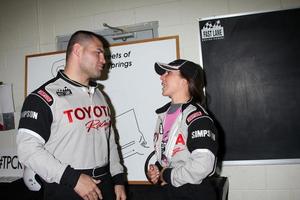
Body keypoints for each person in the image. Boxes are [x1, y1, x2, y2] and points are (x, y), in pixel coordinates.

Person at [16, 30, 127, 200]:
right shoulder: (43, 98)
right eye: (98, 53)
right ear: (77, 50)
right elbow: (27, 150)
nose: (104, 60)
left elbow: (109, 140)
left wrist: (118, 179)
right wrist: (73, 179)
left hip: (105, 185)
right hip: (68, 187)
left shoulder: (99, 96)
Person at [147, 59, 219, 200]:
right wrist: (158, 169)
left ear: (185, 81)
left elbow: (202, 165)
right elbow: (171, 157)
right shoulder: (163, 115)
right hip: (169, 192)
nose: (162, 77)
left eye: (168, 73)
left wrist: (167, 175)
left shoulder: (198, 119)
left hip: (193, 193)